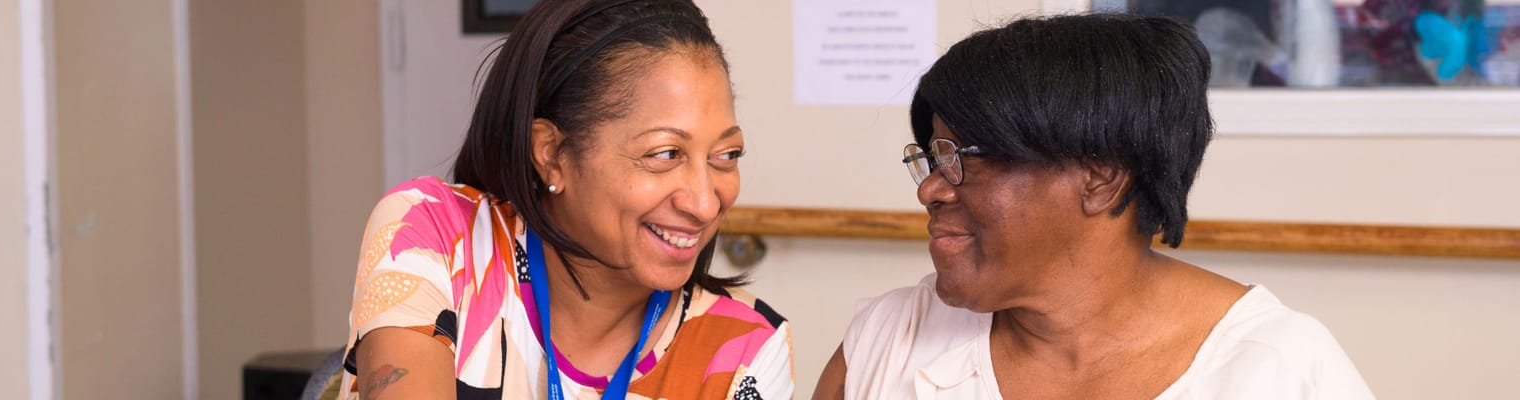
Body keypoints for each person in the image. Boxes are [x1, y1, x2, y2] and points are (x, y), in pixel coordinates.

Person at [813, 14, 1373, 400]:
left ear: (1102, 177)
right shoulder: (890, 342)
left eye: (965, 155)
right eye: (935, 156)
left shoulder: (1276, 370)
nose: (931, 188)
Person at [337, 1, 792, 399]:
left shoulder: (744, 347)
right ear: (551, 153)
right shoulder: (433, 238)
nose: (705, 203)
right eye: (664, 154)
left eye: (725, 155)